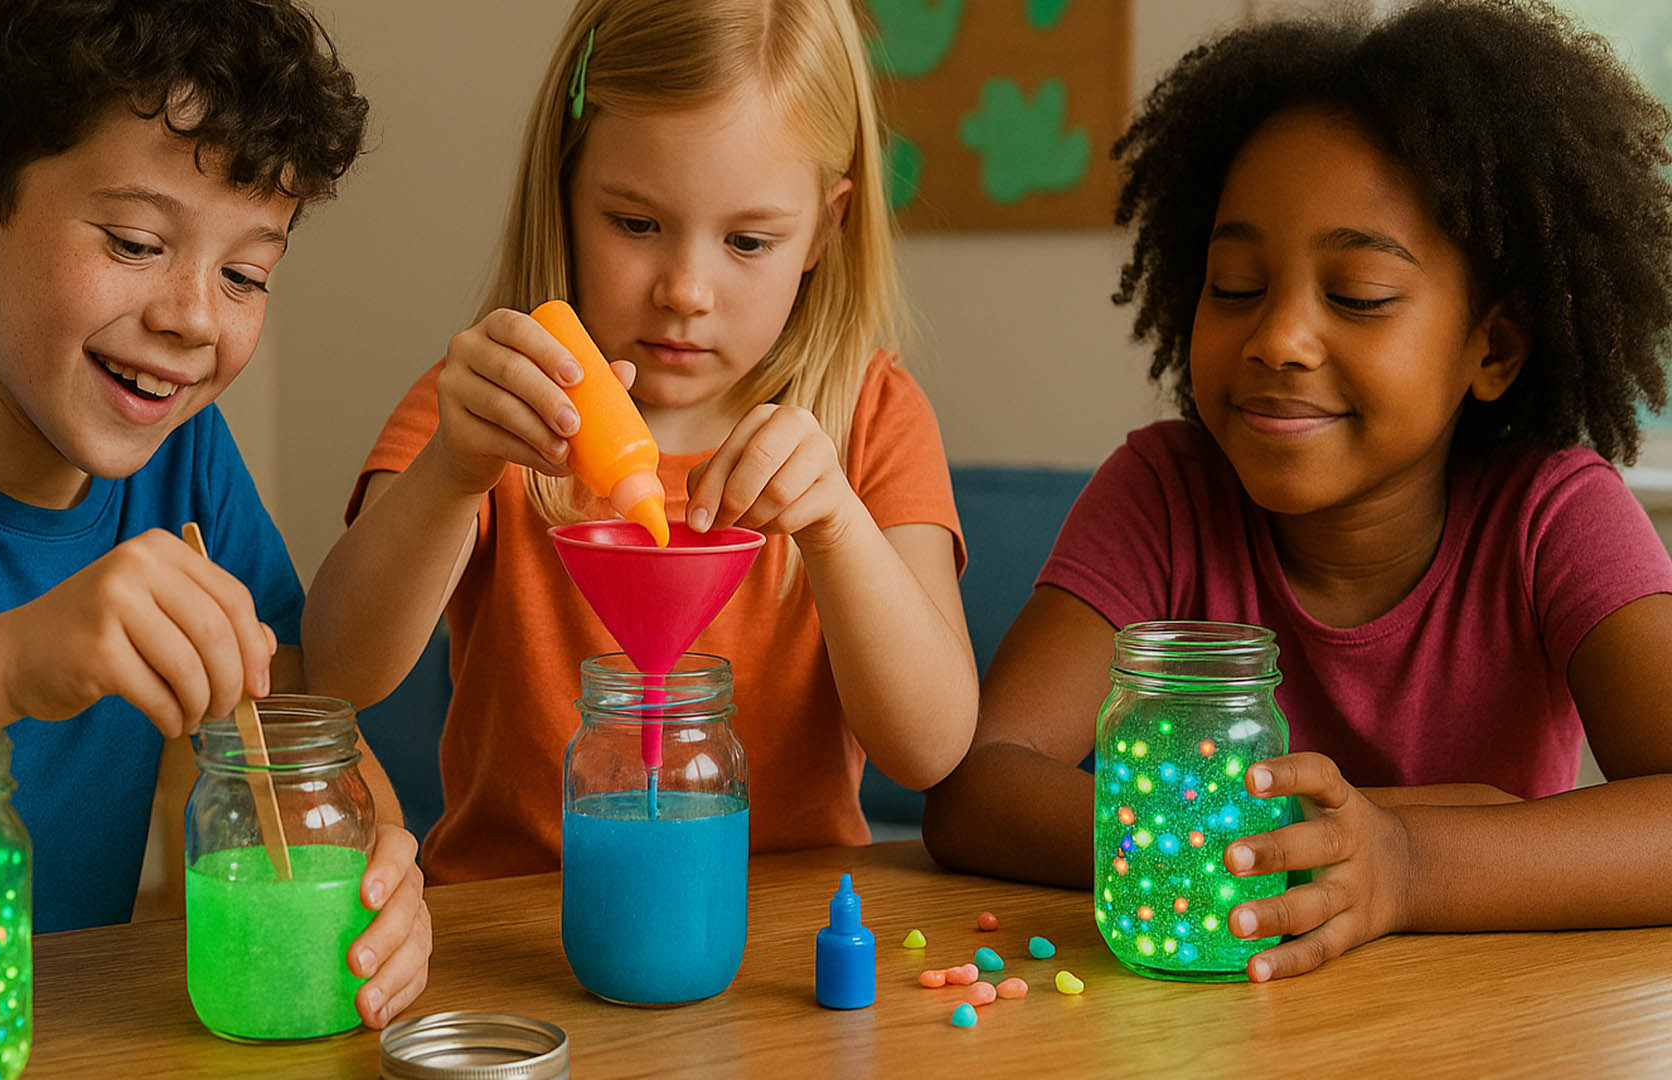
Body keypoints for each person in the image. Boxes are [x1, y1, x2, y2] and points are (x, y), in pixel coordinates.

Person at [924, 0, 1672, 981]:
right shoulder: (1164, 495)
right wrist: (1300, 845)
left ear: (1492, 345)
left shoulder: (1553, 516)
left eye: (1357, 295)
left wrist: (1402, 863)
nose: (1277, 338)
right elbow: (977, 783)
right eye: (1235, 285)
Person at [0, 0, 429, 1025]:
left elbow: (286, 717)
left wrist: (376, 863)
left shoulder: (184, 466)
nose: (194, 315)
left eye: (245, 273)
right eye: (134, 241)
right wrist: (17, 660)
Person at [303, 0, 977, 882]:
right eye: (636, 224)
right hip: (512, 927)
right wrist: (453, 472)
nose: (686, 289)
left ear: (828, 227)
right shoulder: (487, 404)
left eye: (747, 240)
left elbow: (931, 749)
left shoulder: (871, 417)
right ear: (566, 192)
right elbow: (339, 672)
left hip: (781, 936)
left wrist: (838, 530)